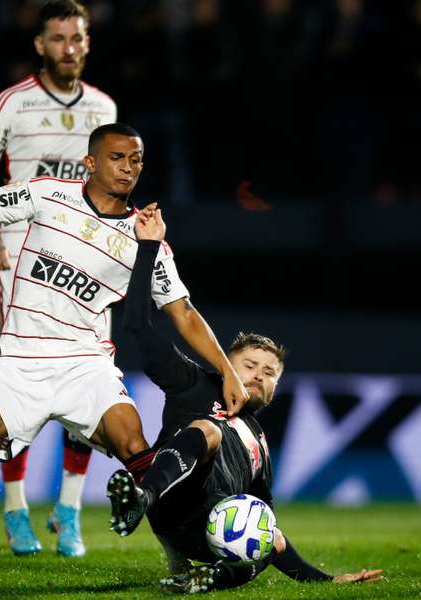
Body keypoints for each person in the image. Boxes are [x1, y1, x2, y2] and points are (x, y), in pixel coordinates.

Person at [0, 122, 249, 583]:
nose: (128, 168)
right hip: (19, 361)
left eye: (136, 160)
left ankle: (179, 560)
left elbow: (184, 313)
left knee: (139, 453)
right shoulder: (47, 195)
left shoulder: (146, 239)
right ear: (91, 163)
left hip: (87, 366)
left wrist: (227, 372)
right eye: (117, 158)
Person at [102, 207, 383, 593]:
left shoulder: (260, 446)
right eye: (249, 365)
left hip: (206, 531)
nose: (258, 376)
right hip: (168, 501)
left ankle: (206, 578)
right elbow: (137, 327)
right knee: (208, 430)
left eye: (269, 374)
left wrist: (327, 580)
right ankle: (140, 499)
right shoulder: (195, 383)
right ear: (226, 366)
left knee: (266, 529)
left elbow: (269, 533)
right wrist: (148, 247)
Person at [0, 0, 117, 558]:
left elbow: (111, 188)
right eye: (58, 39)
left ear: (86, 42)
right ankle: (15, 512)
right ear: (40, 45)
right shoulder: (9, 105)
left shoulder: (103, 106)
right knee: (20, 381)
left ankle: (70, 511)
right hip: (22, 259)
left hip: (84, 262)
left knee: (92, 376)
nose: (68, 48)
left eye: (76, 38)